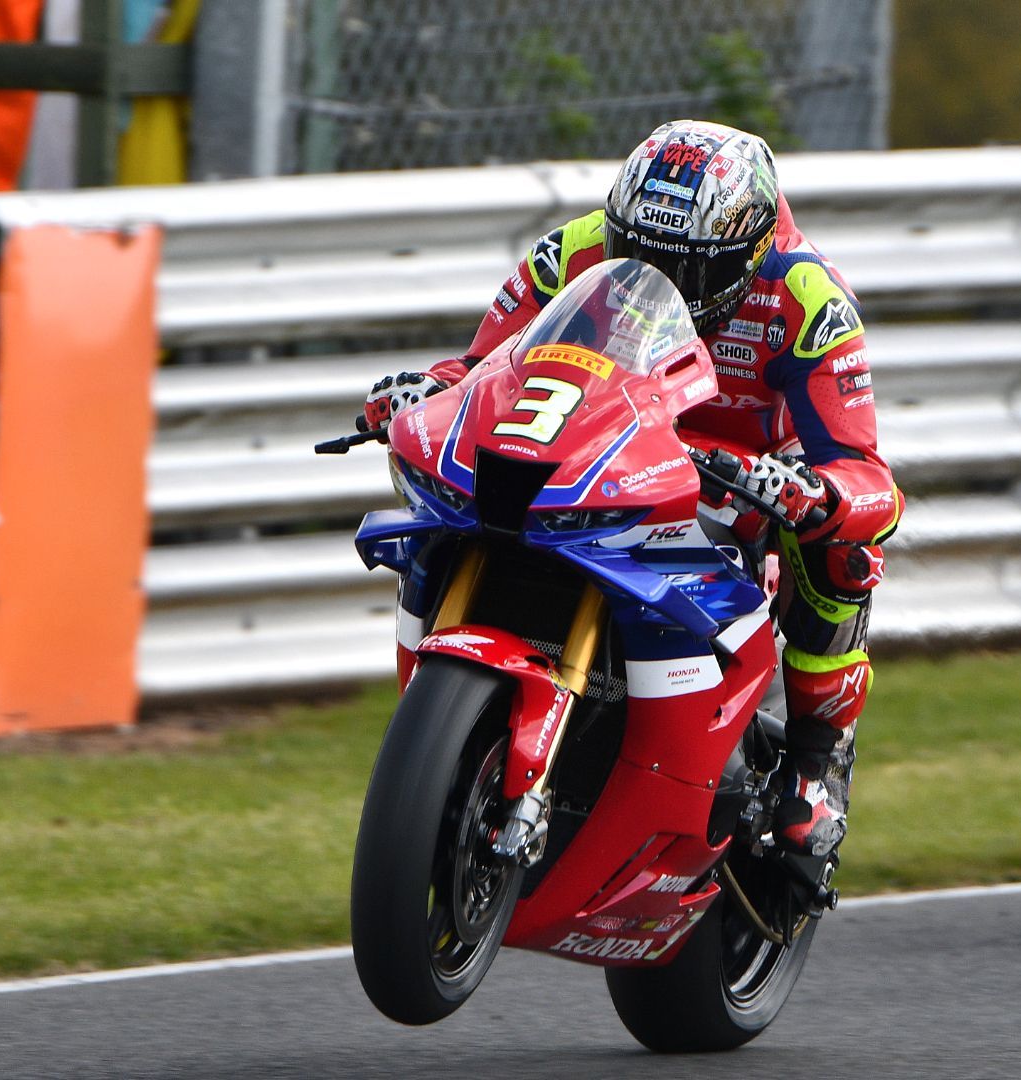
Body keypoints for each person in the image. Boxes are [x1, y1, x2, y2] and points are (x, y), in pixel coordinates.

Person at [360, 120, 902, 860]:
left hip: (740, 481)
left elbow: (868, 478)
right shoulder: (571, 251)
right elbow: (481, 370)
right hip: (596, 451)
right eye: (640, 255)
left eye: (686, 270)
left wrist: (813, 493)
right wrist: (425, 391)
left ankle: (817, 760)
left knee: (844, 554)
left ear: (745, 257)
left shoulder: (809, 298)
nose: (661, 280)